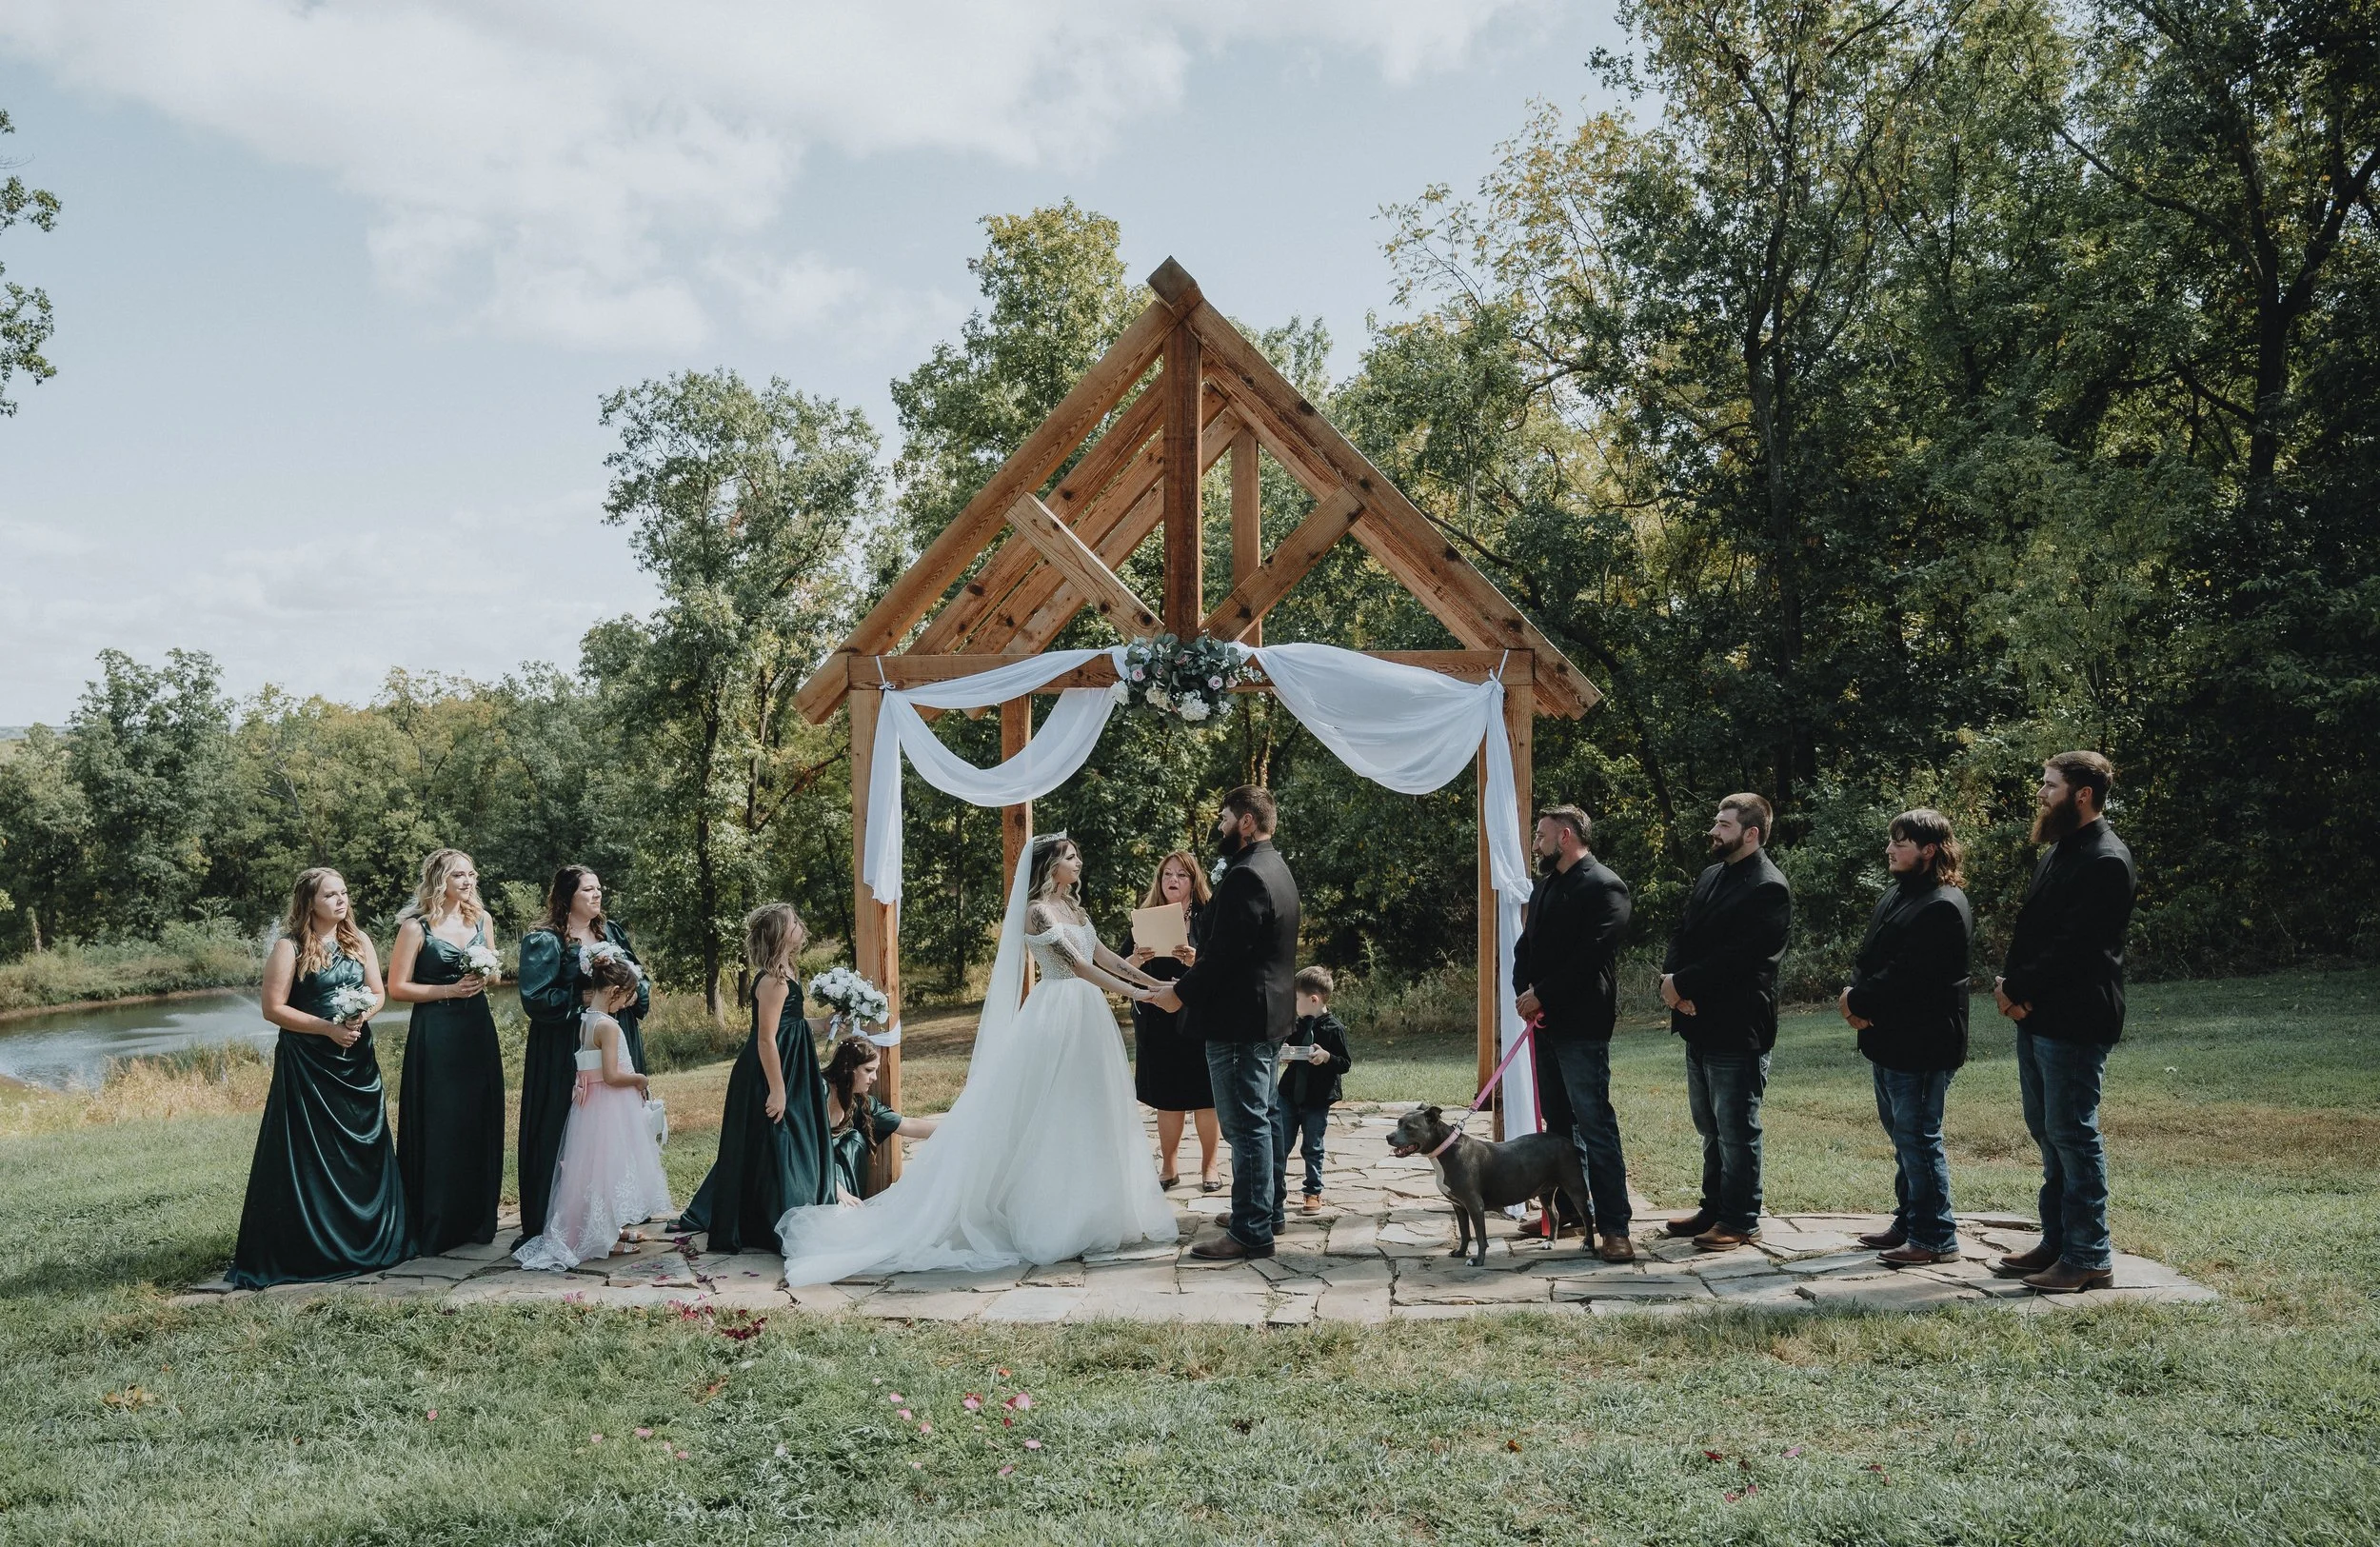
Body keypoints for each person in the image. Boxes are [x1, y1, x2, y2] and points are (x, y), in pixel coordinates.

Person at [777, 834, 1178, 1283]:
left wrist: (1159, 985)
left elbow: (1104, 957)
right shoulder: (1038, 911)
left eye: (1077, 854)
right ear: (1049, 866)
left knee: (1090, 1110)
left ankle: (1097, 1209)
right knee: (1050, 1114)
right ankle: (1050, 1215)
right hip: (1057, 1013)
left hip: (1088, 1017)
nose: (1078, 861)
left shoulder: (1076, 911)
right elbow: (1080, 968)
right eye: (1070, 855)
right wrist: (1148, 997)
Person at [1992, 751, 2137, 1294]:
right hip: (2039, 1011)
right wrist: (2013, 992)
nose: (2041, 793)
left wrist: (2020, 990)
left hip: (2076, 1017)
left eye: (2049, 785)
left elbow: (2077, 948)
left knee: (2074, 1135)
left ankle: (2089, 1254)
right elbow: (2037, 933)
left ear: (2082, 794)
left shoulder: (2106, 858)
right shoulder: (2059, 850)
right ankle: (2057, 1241)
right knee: (2048, 1132)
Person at [228, 867, 412, 1287]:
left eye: (344, 893)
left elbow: (379, 993)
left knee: (361, 1148)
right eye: (331, 895)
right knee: (314, 1152)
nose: (341, 901)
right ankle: (314, 1245)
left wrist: (358, 1017)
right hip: (309, 1063)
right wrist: (328, 1028)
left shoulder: (359, 940)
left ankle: (370, 1237)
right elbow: (273, 1009)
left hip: (356, 1059)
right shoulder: (288, 948)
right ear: (309, 902)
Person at [1152, 785, 1301, 1261]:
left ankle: (1252, 1230)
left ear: (1247, 823)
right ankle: (1265, 1208)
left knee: (1245, 1125)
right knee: (1265, 1118)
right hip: (1266, 1015)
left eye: (1224, 817)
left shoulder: (1247, 876)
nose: (1218, 824)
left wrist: (1179, 993)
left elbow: (1222, 958)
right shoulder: (1274, 868)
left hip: (1239, 1021)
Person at [1839, 808, 1974, 1266]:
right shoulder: (1897, 895)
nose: (1890, 849)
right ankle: (1909, 1219)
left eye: (1900, 842)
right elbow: (1870, 957)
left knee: (1918, 1137)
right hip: (1888, 1037)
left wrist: (1861, 1002)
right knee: (1903, 1136)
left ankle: (1936, 1236)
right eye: (1891, 841)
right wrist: (1856, 1000)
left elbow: (1910, 976)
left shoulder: (1943, 904)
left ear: (1929, 849)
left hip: (1923, 1042)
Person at [1659, 792, 1793, 1251]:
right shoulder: (1711, 874)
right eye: (1717, 823)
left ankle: (1741, 1218)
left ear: (1750, 833)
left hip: (1739, 1025)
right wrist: (1672, 982)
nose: (1714, 831)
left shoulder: (1769, 886)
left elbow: (1744, 959)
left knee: (1737, 1128)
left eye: (1724, 825)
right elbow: (1684, 932)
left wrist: (1686, 985)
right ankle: (1713, 1207)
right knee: (1709, 1125)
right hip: (1698, 1022)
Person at [1512, 804, 1636, 1262]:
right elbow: (1527, 946)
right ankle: (1566, 1212)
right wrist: (1523, 992)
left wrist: (1542, 994)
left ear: (1565, 836)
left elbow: (1591, 956)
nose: (1536, 843)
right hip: (1544, 1025)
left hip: (1582, 1026)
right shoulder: (1545, 888)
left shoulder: (1606, 886)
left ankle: (1614, 1226)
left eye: (1541, 835)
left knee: (1595, 1126)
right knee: (1558, 1130)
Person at [676, 902, 837, 1254]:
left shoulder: (789, 972)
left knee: (786, 1137)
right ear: (780, 933)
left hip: (792, 1063)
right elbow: (766, 1038)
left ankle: (786, 1209)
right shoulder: (773, 982)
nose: (801, 924)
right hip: (771, 1070)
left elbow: (789, 1024)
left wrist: (822, 1024)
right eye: (794, 921)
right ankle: (771, 1220)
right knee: (777, 1137)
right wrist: (777, 1089)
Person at [514, 866, 652, 1246]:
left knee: (612, 1133)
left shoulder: (612, 932)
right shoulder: (545, 940)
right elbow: (537, 997)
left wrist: (629, 995)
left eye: (598, 888)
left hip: (617, 1034)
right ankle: (562, 1219)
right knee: (569, 1130)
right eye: (587, 889)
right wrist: (588, 1000)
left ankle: (611, 1220)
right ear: (566, 896)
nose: (596, 895)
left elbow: (638, 976)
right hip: (568, 1047)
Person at [514, 953, 673, 1272]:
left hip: (594, 1106)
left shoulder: (587, 1019)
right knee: (609, 1168)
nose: (629, 1004)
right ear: (614, 991)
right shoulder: (608, 1027)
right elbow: (613, 1075)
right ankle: (605, 1236)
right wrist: (640, 1078)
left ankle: (609, 1227)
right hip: (610, 1106)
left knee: (598, 1168)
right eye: (627, 997)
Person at [387, 847, 506, 1256]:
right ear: (440, 879)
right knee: (440, 1119)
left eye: (472, 874)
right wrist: (448, 990)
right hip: (435, 1033)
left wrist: (484, 973)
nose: (468, 881)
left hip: (476, 1029)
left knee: (477, 1115)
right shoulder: (415, 927)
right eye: (459, 875)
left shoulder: (482, 920)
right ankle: (436, 1222)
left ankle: (476, 1219)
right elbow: (397, 989)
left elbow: (493, 975)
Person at [1127, 849, 1220, 1192]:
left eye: (1181, 875)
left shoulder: (1210, 917)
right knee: (1167, 1098)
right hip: (1158, 1021)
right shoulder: (1146, 916)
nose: (1173, 881)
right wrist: (1136, 958)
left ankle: (1210, 1167)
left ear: (1194, 881)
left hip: (1200, 1018)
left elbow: (1224, 967)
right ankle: (1168, 1167)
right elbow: (1122, 970)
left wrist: (1198, 960)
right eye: (1168, 874)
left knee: (1205, 1097)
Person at [1271, 965, 1351, 1223]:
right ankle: (1274, 1194)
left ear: (1313, 999)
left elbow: (1344, 1063)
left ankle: (1312, 1191)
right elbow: (1287, 1047)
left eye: (1296, 999)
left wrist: (1327, 1057)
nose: (1293, 1004)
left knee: (1313, 1146)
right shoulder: (1295, 1025)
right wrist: (1286, 1052)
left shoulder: (1333, 1028)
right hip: (1289, 1095)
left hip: (1317, 1099)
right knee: (1280, 1145)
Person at [820, 1034, 941, 1204]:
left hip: (833, 1171)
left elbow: (906, 1124)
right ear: (848, 1068)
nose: (874, 1078)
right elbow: (805, 1147)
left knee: (853, 1141)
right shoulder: (819, 1091)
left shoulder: (860, 1101)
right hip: (808, 1167)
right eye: (869, 1070)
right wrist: (836, 1189)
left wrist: (954, 1129)